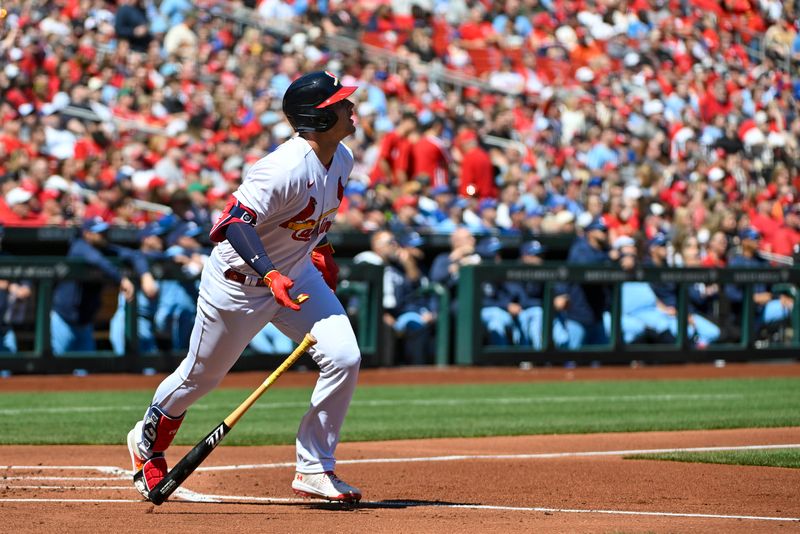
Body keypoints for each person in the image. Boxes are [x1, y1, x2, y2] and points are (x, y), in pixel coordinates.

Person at [127, 71, 363, 503]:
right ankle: (146, 445)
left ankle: (314, 468)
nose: (352, 109)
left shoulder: (342, 157)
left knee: (344, 356)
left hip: (295, 276)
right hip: (239, 283)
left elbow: (306, 220)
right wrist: (270, 274)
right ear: (318, 116)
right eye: (341, 104)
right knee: (200, 378)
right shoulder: (283, 167)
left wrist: (320, 250)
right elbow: (233, 222)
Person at [50, 218, 142, 354]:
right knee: (55, 370)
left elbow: (135, 255)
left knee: (86, 372)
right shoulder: (79, 246)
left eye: (105, 232)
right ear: (87, 234)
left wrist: (145, 275)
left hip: (85, 321)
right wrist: (121, 280)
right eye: (100, 233)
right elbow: (96, 260)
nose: (104, 236)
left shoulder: (104, 248)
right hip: (63, 320)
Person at [552, 217, 611, 349]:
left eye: (606, 230)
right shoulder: (580, 248)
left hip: (597, 314)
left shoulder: (605, 249)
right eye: (601, 230)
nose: (604, 233)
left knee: (603, 361)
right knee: (572, 358)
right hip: (578, 314)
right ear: (590, 232)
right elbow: (586, 268)